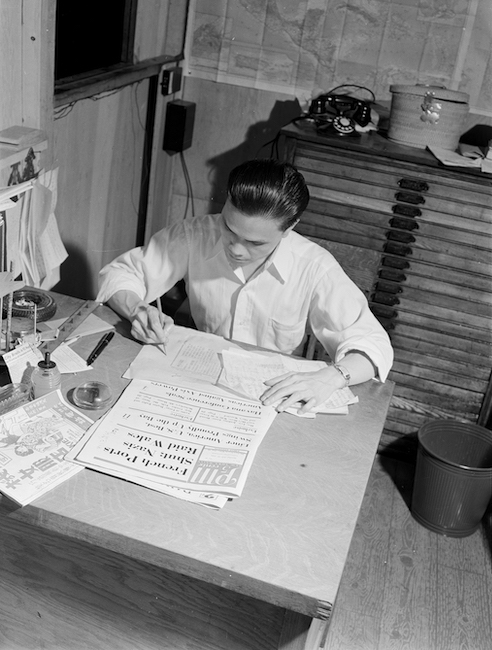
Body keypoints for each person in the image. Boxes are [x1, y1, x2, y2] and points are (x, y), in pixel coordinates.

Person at [97, 159, 393, 414]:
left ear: (290, 227)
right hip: (198, 376)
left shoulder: (315, 267)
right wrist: (137, 310)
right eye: (229, 228)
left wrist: (331, 376)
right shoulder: (195, 234)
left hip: (272, 393)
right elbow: (120, 275)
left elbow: (373, 347)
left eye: (255, 243)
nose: (236, 250)